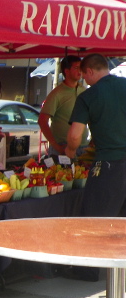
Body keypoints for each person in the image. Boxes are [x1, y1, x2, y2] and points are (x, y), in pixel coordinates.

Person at [65, 53, 126, 281]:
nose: (82, 79)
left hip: (109, 164)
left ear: (90, 71)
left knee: (94, 216)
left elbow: (74, 136)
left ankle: (87, 269)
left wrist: (71, 151)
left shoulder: (88, 96)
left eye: (83, 74)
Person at [38, 55, 88, 157]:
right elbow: (42, 120)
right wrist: (56, 146)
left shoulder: (84, 91)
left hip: (84, 147)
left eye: (81, 67)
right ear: (66, 71)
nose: (80, 71)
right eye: (76, 68)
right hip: (63, 147)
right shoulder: (57, 93)